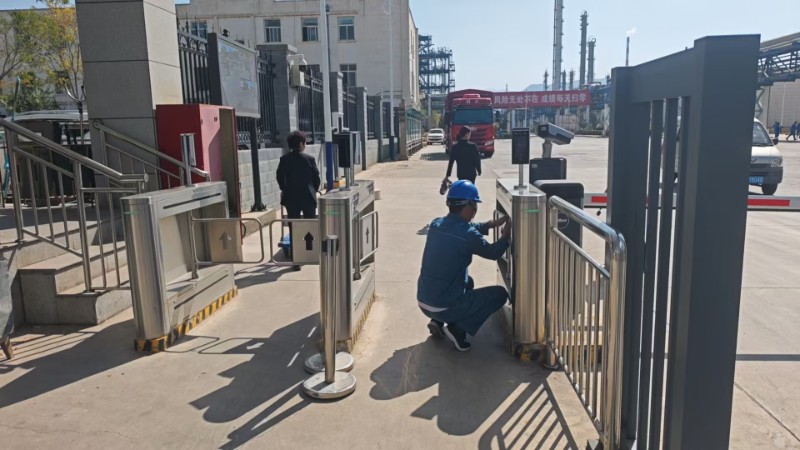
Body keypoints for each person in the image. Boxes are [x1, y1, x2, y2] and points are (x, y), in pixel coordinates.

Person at [416, 180, 512, 351]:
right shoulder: (468, 235)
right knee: (499, 295)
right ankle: (458, 329)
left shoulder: (436, 224)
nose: (475, 211)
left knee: (469, 281)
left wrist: (490, 225)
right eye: (475, 206)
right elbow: (493, 253)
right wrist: (505, 236)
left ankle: (437, 321)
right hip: (444, 306)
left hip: (424, 301)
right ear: (468, 207)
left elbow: (463, 227)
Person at [276, 130, 321, 269]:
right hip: (308, 197)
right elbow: (316, 179)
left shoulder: (284, 159)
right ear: (301, 144)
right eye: (305, 142)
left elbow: (279, 177)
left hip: (291, 198)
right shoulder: (309, 159)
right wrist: (313, 190)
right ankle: (309, 253)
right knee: (309, 225)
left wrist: (285, 188)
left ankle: (296, 260)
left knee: (294, 227)